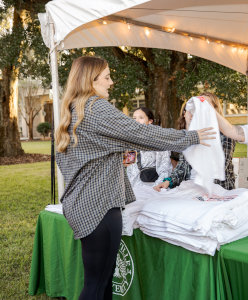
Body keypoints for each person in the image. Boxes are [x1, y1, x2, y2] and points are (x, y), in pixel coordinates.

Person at [55, 56, 215, 300]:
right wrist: (190, 137)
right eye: (107, 77)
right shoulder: (95, 107)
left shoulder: (74, 107)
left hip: (81, 203)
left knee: (101, 283)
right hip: (100, 206)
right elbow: (142, 134)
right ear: (91, 80)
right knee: (97, 286)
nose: (112, 82)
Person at [154, 92, 236, 191]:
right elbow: (183, 166)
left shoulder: (225, 134)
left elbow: (218, 169)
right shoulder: (193, 135)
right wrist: (169, 181)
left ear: (215, 109)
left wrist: (196, 190)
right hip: (191, 188)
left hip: (217, 190)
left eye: (205, 105)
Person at [126, 107, 172, 188]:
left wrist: (155, 188)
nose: (136, 121)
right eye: (134, 118)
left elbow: (165, 168)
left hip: (155, 186)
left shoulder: (159, 140)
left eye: (141, 118)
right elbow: (129, 169)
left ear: (150, 121)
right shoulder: (129, 142)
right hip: (136, 188)